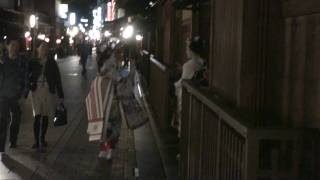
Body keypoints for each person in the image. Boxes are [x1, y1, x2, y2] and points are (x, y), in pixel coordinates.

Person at [29, 41, 64, 149]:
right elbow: (27, 74)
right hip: (36, 91)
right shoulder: (33, 61)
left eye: (46, 48)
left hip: (48, 91)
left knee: (45, 116)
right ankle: (36, 141)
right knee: (37, 115)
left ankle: (42, 139)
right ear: (37, 49)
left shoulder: (51, 62)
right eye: (42, 48)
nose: (44, 50)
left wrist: (61, 94)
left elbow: (57, 78)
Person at [0, 37, 29, 152]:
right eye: (12, 45)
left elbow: (26, 78)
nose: (14, 48)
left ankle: (13, 140)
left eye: (16, 45)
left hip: (16, 96)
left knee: (16, 120)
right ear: (7, 46)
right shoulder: (2, 60)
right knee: (2, 121)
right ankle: (1, 147)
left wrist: (24, 95)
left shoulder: (22, 62)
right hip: (3, 95)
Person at [174, 36, 206, 137]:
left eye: (187, 49)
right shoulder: (202, 63)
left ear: (192, 50)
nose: (186, 51)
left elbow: (182, 82)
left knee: (184, 123)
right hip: (198, 100)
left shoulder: (188, 65)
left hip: (186, 98)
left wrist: (174, 84)